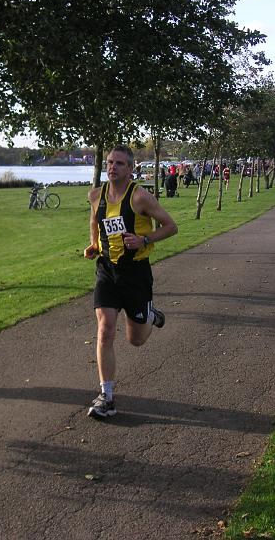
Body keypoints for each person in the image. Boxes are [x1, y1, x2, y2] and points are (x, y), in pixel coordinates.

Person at [83, 145, 179, 419]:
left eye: (119, 163)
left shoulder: (140, 197)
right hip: (107, 270)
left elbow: (171, 227)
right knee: (105, 329)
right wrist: (94, 245)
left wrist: (144, 239)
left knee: (136, 340)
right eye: (110, 162)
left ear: (131, 168)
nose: (112, 167)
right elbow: (95, 222)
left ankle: (150, 315)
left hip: (136, 272)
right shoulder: (95, 195)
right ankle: (107, 396)